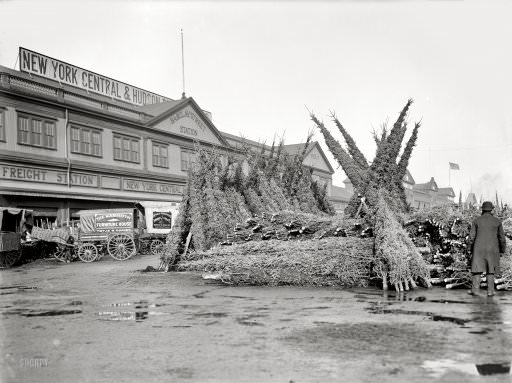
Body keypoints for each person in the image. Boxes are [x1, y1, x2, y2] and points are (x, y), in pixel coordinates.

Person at [468, 201, 507, 296]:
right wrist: (502, 250)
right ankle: (490, 291)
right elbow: (502, 238)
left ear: (482, 209)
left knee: (476, 269)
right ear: (492, 210)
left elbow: (471, 237)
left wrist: (469, 249)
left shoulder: (476, 221)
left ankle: (475, 290)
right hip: (492, 249)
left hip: (478, 249)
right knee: (491, 270)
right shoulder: (497, 221)